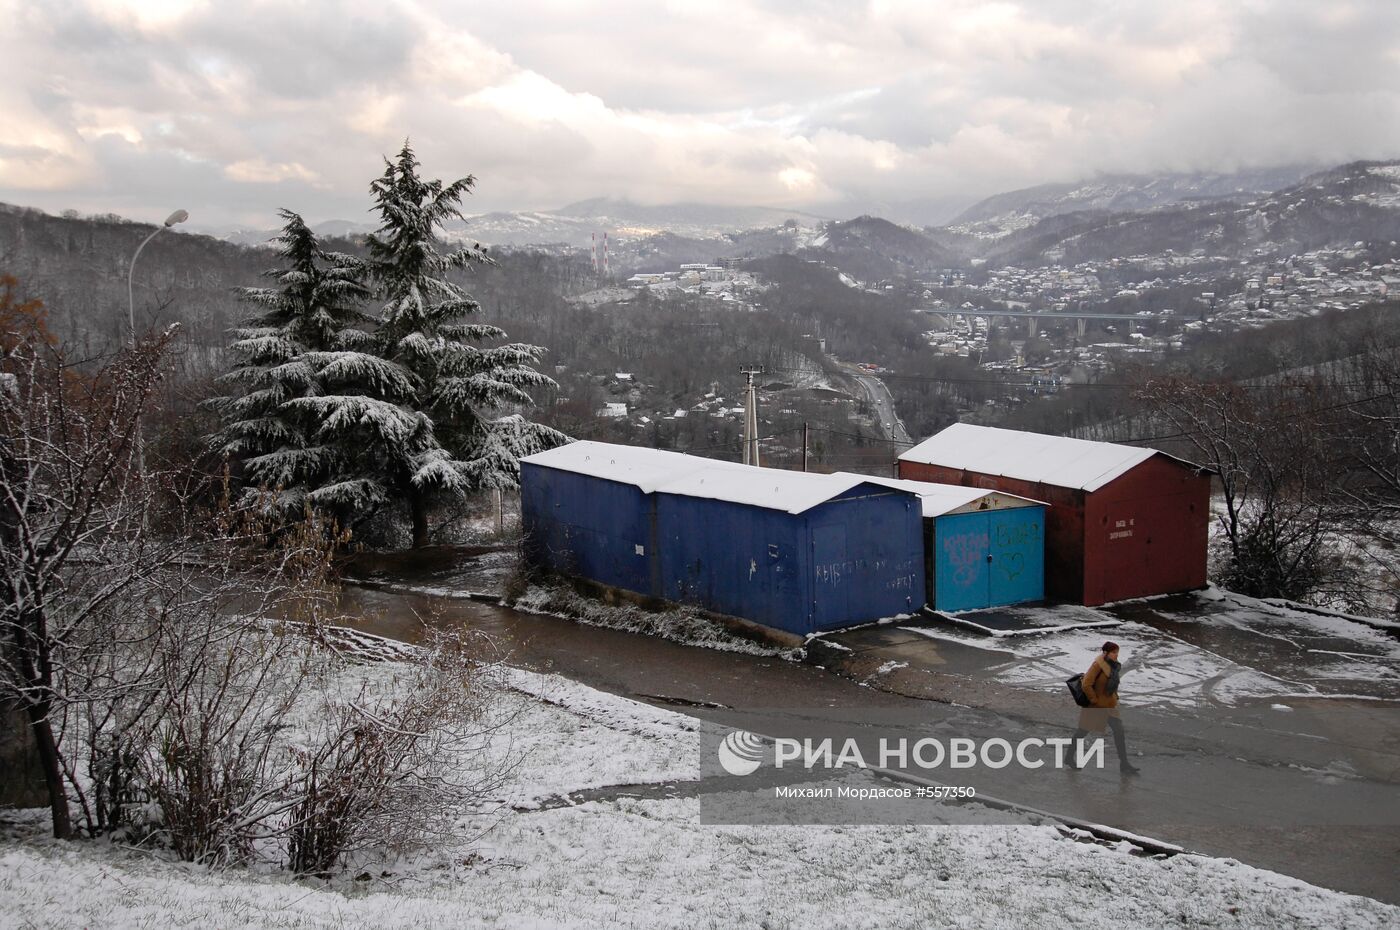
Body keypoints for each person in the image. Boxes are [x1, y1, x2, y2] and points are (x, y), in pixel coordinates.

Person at [1068, 641, 1140, 775]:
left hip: (1110, 706)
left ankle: (1124, 764)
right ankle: (1068, 757)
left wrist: (1115, 696)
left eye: (1117, 652)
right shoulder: (1098, 665)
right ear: (1105, 653)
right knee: (1082, 732)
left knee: (1119, 732)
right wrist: (1094, 700)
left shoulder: (1113, 666)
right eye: (1113, 652)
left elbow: (1112, 684)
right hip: (1096, 707)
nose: (1116, 655)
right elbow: (1086, 684)